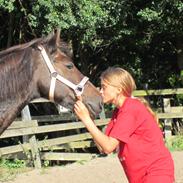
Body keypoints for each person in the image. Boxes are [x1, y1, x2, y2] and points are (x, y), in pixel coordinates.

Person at [74, 67, 174, 183]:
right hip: (141, 176)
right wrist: (89, 117)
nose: (100, 91)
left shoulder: (131, 108)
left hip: (155, 173)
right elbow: (103, 147)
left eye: (104, 87)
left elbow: (108, 146)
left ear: (118, 89)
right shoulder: (119, 112)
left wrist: (86, 120)